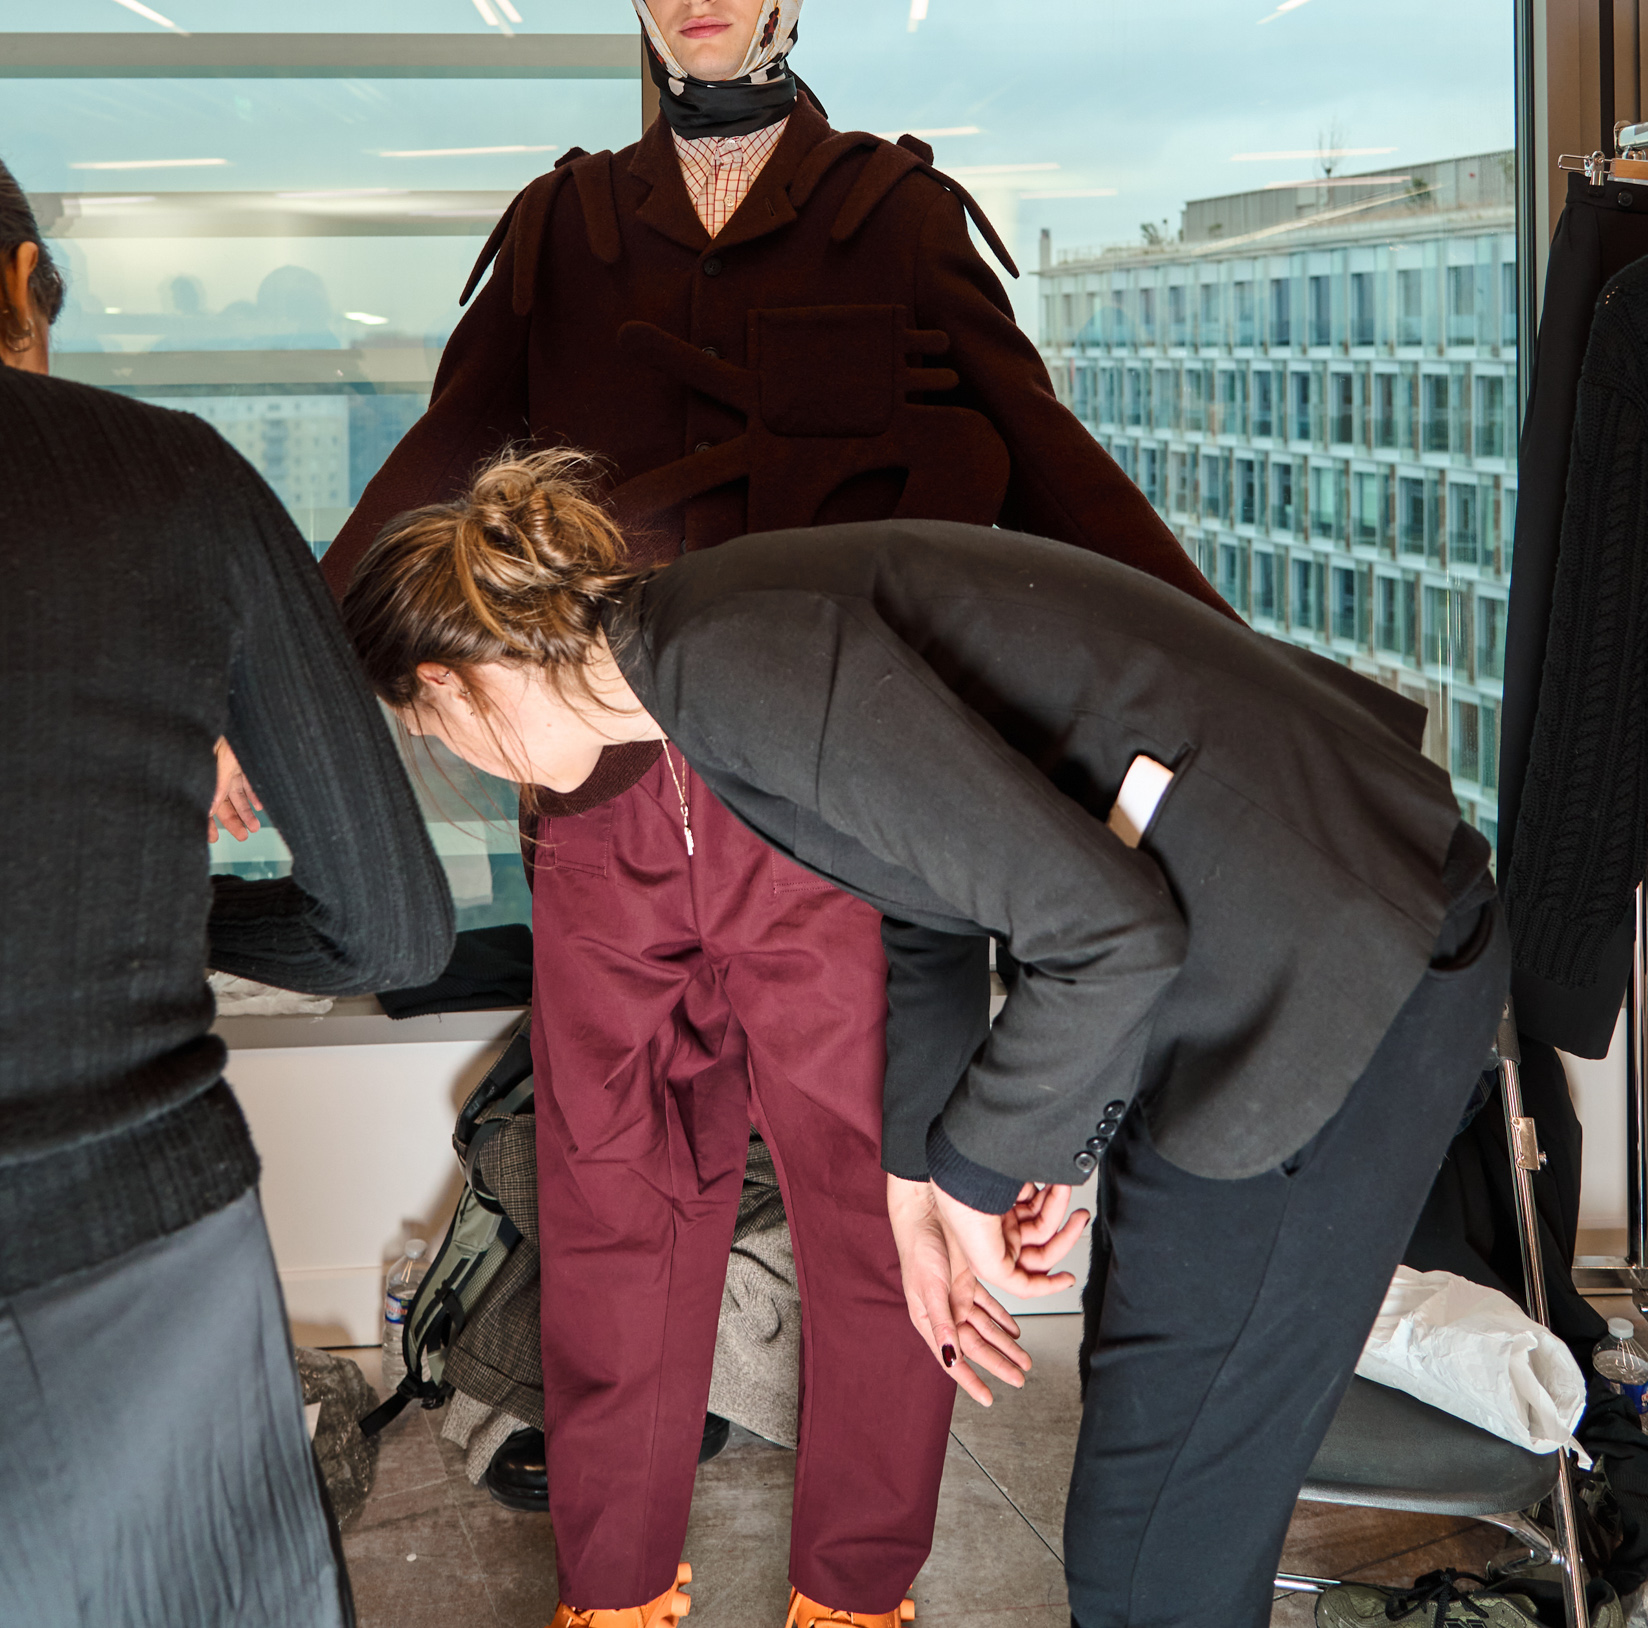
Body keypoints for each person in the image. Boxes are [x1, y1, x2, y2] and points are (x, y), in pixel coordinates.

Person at [318, 0, 1233, 1624]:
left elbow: (1045, 462)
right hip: (604, 803)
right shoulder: (569, 223)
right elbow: (432, 463)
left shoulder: (891, 210)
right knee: (609, 1215)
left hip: (845, 807)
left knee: (878, 1208)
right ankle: (616, 1594)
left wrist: (1222, 682)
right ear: (637, 3)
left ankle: (852, 1597)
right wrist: (280, 657)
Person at [341, 449, 1507, 1628]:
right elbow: (926, 909)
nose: (460, 761)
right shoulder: (695, 644)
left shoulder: (721, 665)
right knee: (1140, 1500)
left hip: (1334, 956)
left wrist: (977, 1167)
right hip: (1251, 954)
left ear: (453, 681)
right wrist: (924, 1183)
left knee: (1152, 1538)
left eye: (435, 732)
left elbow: (1108, 930)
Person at [0, 162, 455, 1628]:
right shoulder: (170, 477)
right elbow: (391, 924)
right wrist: (147, 892)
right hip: (121, 1246)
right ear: (21, 287)